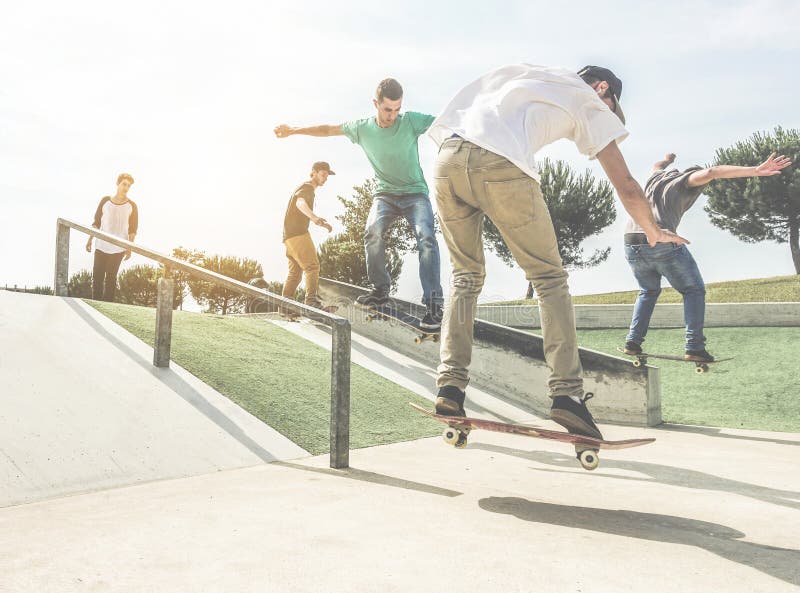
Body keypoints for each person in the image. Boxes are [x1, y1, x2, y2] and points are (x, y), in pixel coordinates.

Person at [427, 64, 688, 440]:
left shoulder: (531, 75)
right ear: (602, 89)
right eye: (610, 109)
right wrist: (652, 229)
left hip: (446, 160)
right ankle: (567, 394)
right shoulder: (589, 99)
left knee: (465, 277)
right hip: (500, 165)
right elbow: (627, 185)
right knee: (549, 279)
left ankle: (449, 387)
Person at [274, 78, 445, 330]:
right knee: (372, 232)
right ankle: (379, 289)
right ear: (376, 104)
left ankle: (433, 304)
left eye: (397, 109)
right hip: (384, 194)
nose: (393, 115)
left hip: (415, 194)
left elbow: (445, 121)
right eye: (387, 110)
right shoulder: (361, 128)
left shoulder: (410, 121)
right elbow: (327, 129)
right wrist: (293, 130)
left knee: (427, 238)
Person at [623, 151, 792, 361]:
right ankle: (694, 347)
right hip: (661, 239)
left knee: (648, 290)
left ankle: (632, 342)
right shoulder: (685, 182)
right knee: (693, 290)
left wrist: (669, 159)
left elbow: (657, 164)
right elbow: (713, 172)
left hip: (631, 243)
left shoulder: (656, 177)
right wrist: (755, 170)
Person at [282, 161, 335, 311]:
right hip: (298, 233)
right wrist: (314, 218)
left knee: (295, 273)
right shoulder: (307, 188)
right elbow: (300, 203)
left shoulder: (306, 188)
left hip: (288, 237)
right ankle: (311, 302)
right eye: (323, 174)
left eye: (327, 176)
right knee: (312, 266)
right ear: (314, 172)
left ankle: (285, 307)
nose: (325, 179)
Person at [85, 173, 138, 301]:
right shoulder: (105, 201)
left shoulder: (132, 206)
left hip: (118, 248)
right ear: (117, 184)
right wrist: (90, 239)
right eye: (124, 184)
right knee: (97, 276)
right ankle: (95, 304)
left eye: (128, 186)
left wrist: (129, 248)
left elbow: (132, 230)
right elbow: (96, 222)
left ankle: (107, 305)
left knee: (111, 277)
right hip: (101, 245)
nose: (126, 188)